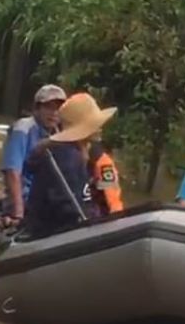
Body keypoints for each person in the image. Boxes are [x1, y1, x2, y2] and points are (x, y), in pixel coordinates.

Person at [22, 93, 122, 237]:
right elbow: (69, 209)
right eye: (96, 125)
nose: (100, 129)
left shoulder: (70, 154)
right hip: (51, 234)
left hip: (47, 228)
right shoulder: (68, 159)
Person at [1, 84, 67, 225]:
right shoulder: (23, 129)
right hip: (25, 200)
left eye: (58, 108)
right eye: (48, 107)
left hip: (46, 201)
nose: (54, 113)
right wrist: (19, 213)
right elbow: (12, 172)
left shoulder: (58, 133)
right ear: (37, 109)